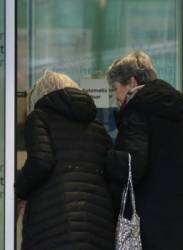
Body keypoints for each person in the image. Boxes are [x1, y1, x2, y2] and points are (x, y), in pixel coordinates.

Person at [106, 51, 183, 250]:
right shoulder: (181, 117)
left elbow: (132, 166)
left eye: (116, 89)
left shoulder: (137, 113)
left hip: (154, 229)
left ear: (132, 83)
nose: (116, 98)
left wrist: (107, 156)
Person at [15, 71, 115, 250]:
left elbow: (41, 161)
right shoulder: (98, 128)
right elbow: (110, 174)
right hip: (98, 226)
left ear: (41, 94)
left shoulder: (39, 117)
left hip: (54, 223)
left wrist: (20, 187)